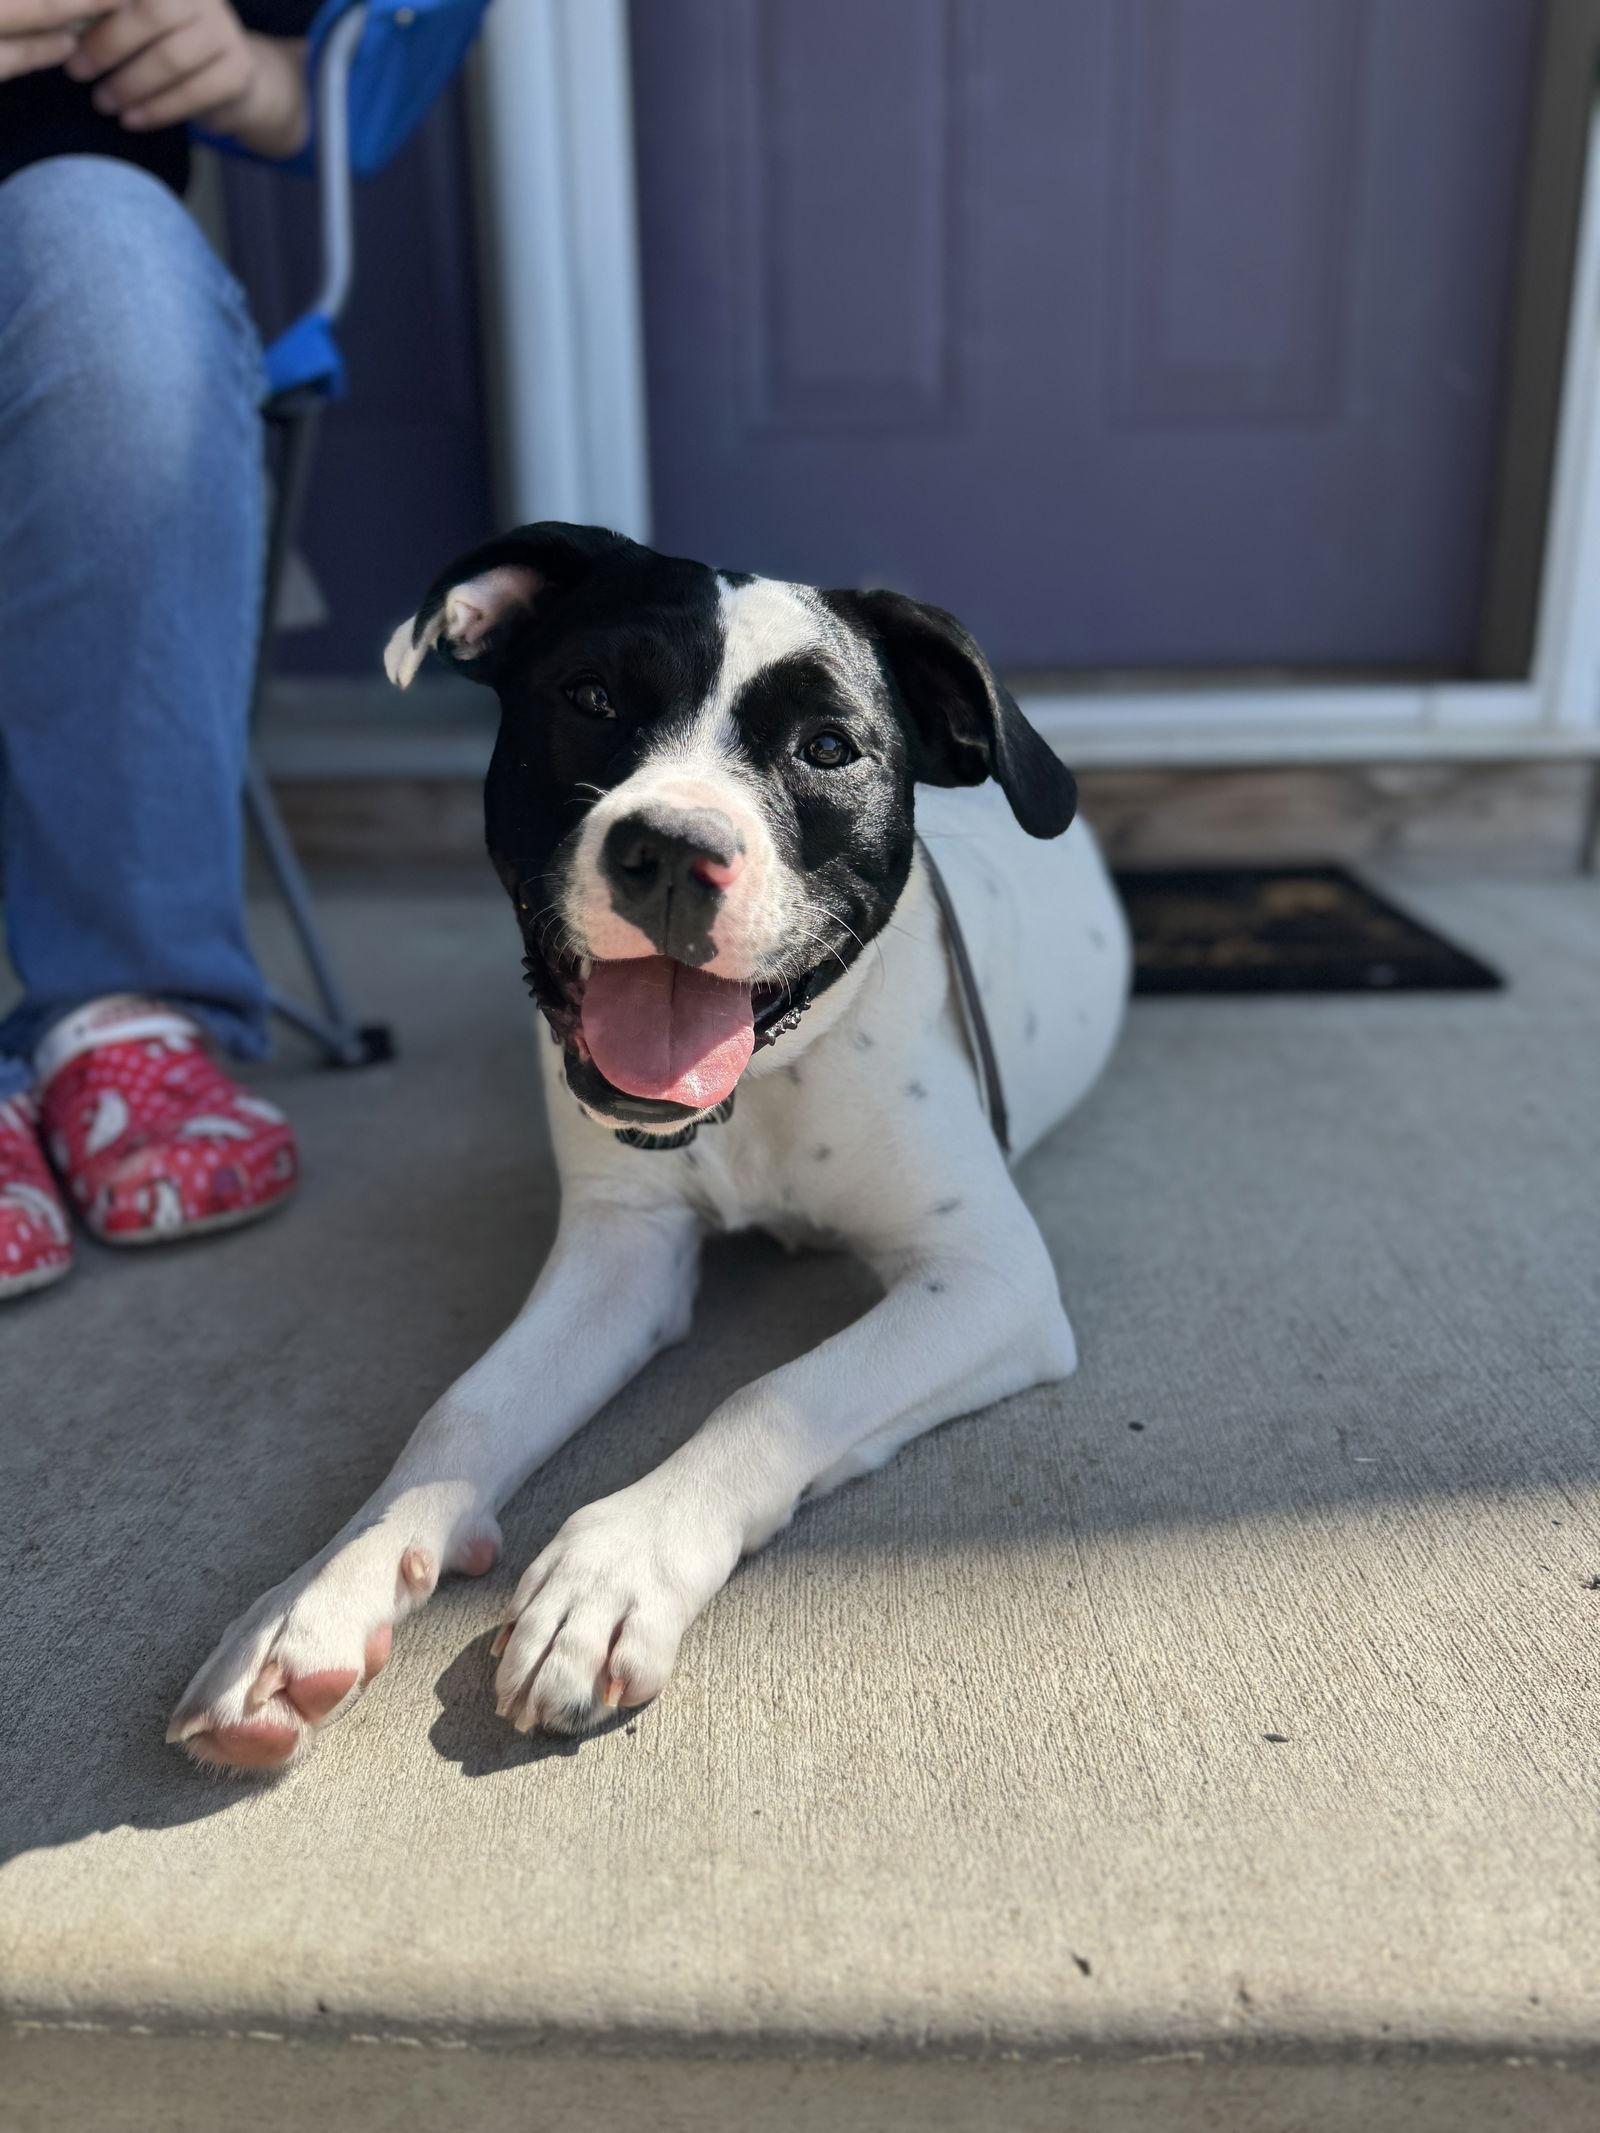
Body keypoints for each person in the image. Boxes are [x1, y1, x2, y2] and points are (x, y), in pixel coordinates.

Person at [0, 0, 318, 1298]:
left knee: (117, 280)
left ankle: (123, 997)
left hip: (66, 204)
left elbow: (313, 82)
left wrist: (247, 69)